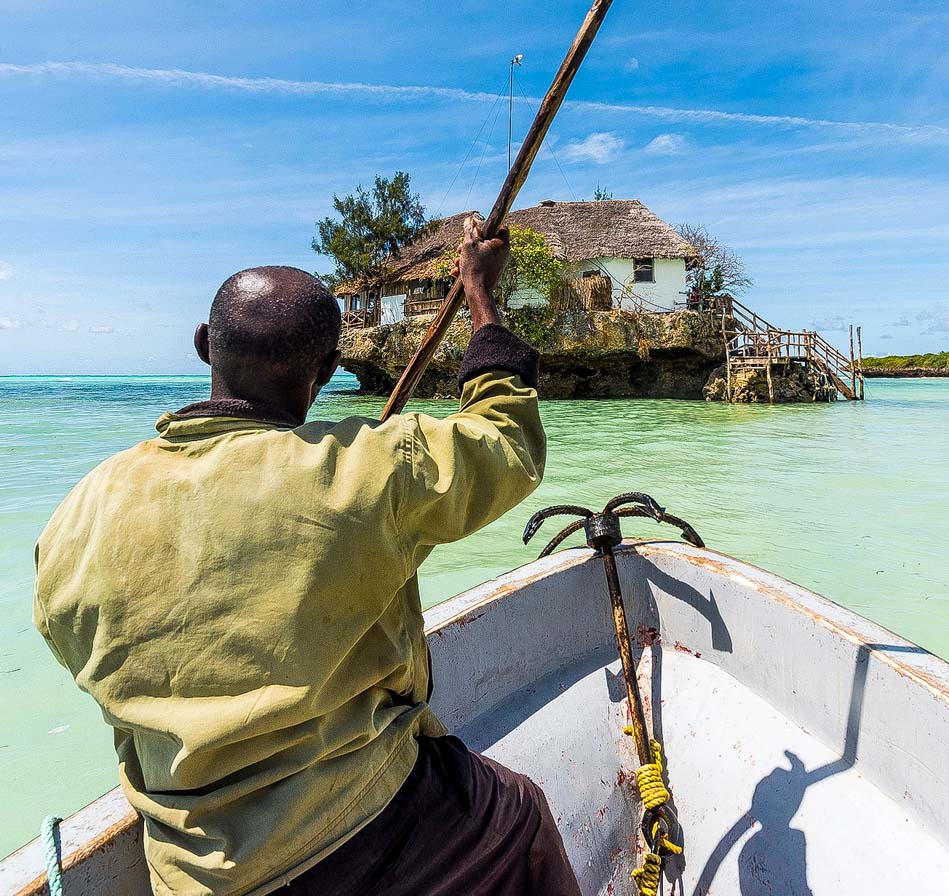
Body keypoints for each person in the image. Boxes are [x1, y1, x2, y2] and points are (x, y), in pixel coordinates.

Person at [34, 216, 581, 896]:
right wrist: (480, 296)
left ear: (205, 346)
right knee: (518, 809)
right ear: (327, 369)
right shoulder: (374, 465)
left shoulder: (76, 514)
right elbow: (506, 442)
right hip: (367, 824)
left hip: (194, 871)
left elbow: (68, 640)